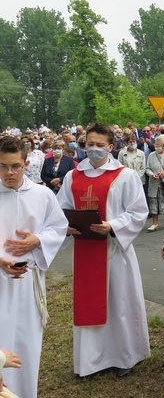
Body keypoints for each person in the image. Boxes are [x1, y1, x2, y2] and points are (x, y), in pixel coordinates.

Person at [57, 123, 151, 378]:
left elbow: (138, 212)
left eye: (100, 145)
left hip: (114, 249)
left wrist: (113, 225)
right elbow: (60, 210)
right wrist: (66, 227)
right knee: (89, 304)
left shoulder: (125, 175)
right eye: (90, 144)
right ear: (83, 145)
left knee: (120, 303)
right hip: (86, 249)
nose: (94, 149)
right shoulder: (72, 177)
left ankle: (125, 356)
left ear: (111, 147)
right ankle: (90, 361)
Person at [0, 136, 68, 398]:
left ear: (27, 163)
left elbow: (58, 227)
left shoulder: (41, 195)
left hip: (28, 280)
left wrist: (37, 240)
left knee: (27, 344)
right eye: (3, 166)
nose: (9, 172)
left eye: (15, 166)